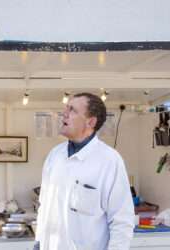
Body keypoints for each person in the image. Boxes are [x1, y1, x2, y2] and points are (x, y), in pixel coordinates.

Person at [34, 92, 135, 250]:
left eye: (72, 110)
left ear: (91, 121)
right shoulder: (54, 156)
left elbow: (122, 221)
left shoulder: (109, 161)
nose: (64, 114)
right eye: (66, 108)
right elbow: (43, 206)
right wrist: (38, 242)